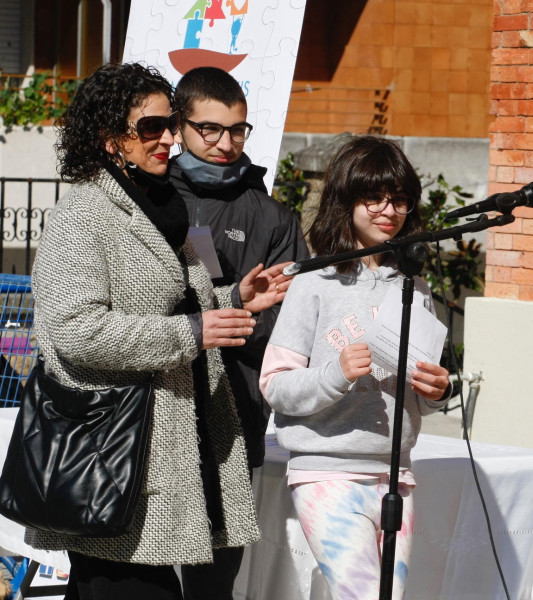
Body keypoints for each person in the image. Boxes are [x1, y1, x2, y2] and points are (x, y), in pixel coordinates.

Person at [29, 62, 290, 599]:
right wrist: (193, 333)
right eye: (152, 127)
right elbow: (77, 330)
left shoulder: (162, 207)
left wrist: (234, 298)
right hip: (112, 453)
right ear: (109, 140)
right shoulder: (81, 213)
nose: (170, 137)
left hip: (174, 446)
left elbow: (177, 301)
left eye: (170, 123)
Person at [259, 135, 451, 599]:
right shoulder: (312, 283)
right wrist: (335, 374)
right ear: (346, 201)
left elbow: (423, 391)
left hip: (396, 474)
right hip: (326, 471)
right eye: (375, 197)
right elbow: (274, 385)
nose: (389, 210)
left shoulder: (416, 288)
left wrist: (437, 391)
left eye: (400, 200)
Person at [169, 66, 309, 598]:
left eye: (238, 130)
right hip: (152, 407)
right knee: (140, 572)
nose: (226, 143)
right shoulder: (149, 200)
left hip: (234, 413)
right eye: (211, 129)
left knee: (212, 577)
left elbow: (290, 322)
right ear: (180, 125)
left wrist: (228, 318)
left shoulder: (273, 218)